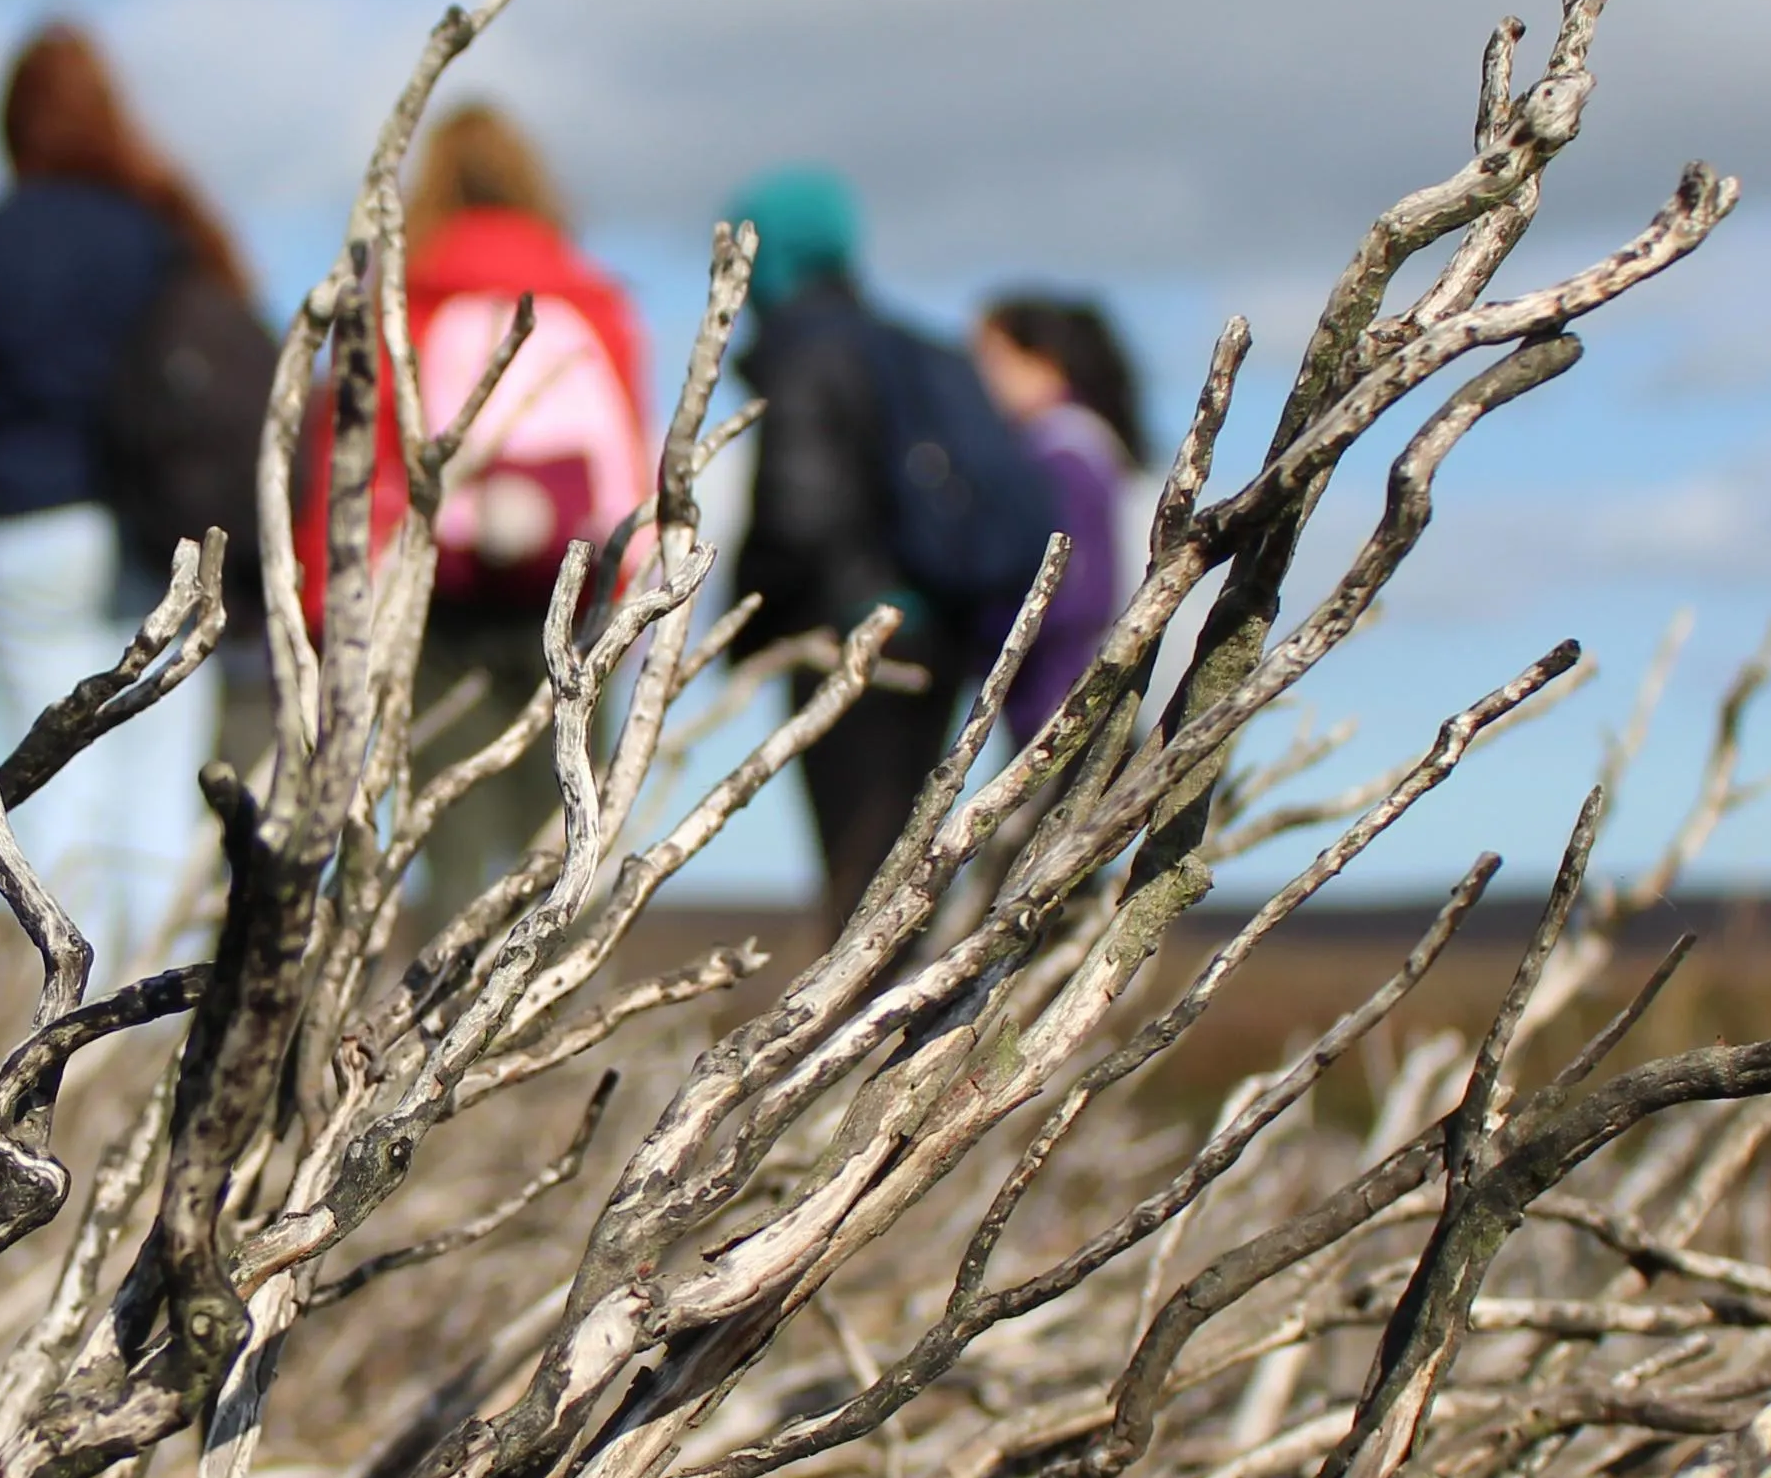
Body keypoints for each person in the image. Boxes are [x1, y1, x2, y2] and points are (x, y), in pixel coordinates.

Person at [0, 20, 242, 970]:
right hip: (158, 540)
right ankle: (157, 1040)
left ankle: (70, 1031)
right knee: (161, 791)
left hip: (28, 532)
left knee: (57, 791)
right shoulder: (163, 237)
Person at [298, 103, 654, 924]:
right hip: (572, 601)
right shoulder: (594, 304)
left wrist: (330, 606)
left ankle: (439, 1027)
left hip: (437, 601)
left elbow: (354, 460)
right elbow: (631, 464)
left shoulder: (404, 302)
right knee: (565, 832)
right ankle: (548, 1024)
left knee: (446, 829)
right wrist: (639, 595)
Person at [724, 165, 1060, 928]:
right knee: (901, 860)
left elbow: (795, 515)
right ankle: (898, 1023)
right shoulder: (917, 347)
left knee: (857, 869)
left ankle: (862, 1035)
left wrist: (742, 626)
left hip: (847, 642)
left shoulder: (805, 351)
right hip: (935, 636)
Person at [972, 289, 1149, 744]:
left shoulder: (1061, 451)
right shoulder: (1088, 444)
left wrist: (983, 627)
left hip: (1066, 701)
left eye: (993, 358)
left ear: (1043, 362)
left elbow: (1077, 593)